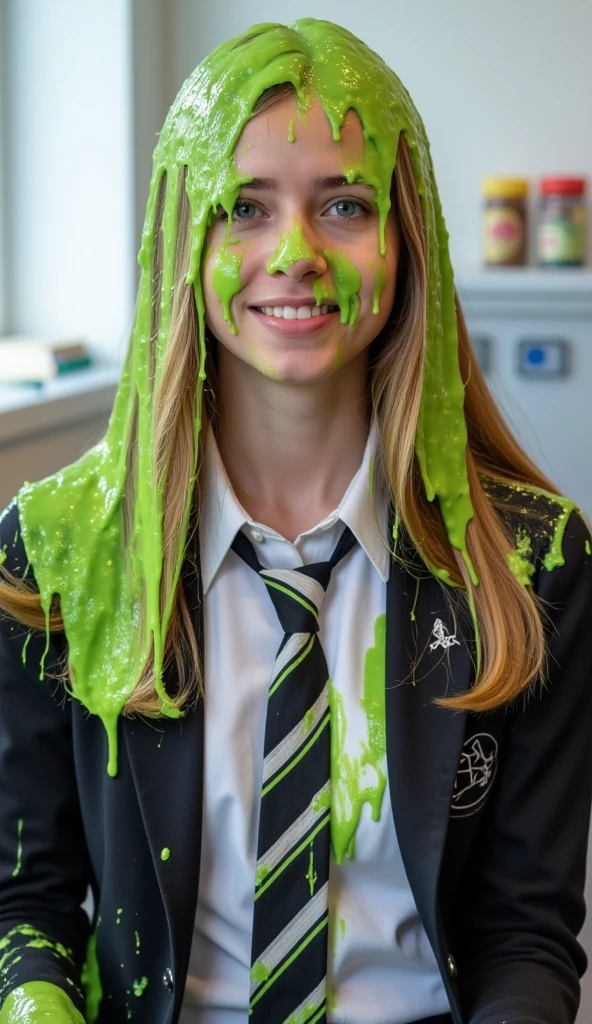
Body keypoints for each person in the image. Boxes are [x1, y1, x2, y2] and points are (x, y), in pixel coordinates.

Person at [0, 17, 591, 1024]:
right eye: (243, 207)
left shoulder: (529, 560)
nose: (295, 253)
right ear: (184, 241)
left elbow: (523, 932)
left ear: (408, 237)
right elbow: (27, 902)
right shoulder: (55, 553)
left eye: (345, 205)